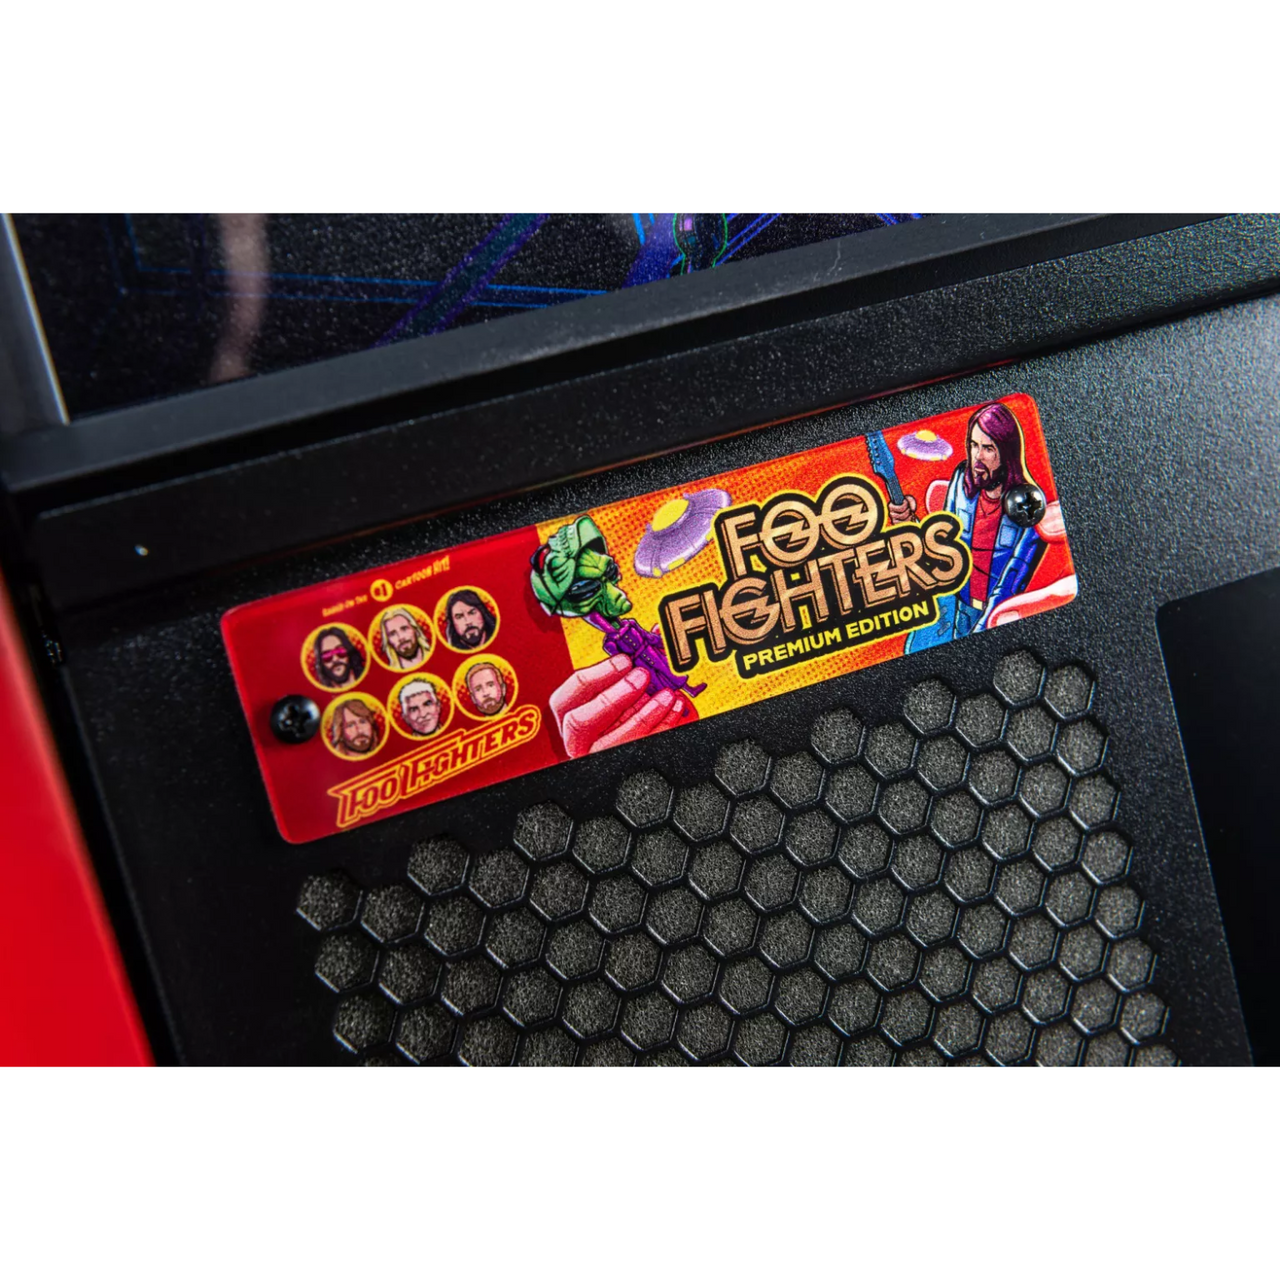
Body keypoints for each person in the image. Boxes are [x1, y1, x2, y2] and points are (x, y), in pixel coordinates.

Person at [887, 401, 1045, 652]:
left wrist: (981, 633)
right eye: (973, 445)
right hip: (955, 606)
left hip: (992, 617)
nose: (977, 457)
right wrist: (909, 522)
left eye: (988, 448)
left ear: (1007, 453)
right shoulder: (961, 480)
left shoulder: (1028, 506)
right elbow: (943, 547)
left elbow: (1012, 582)